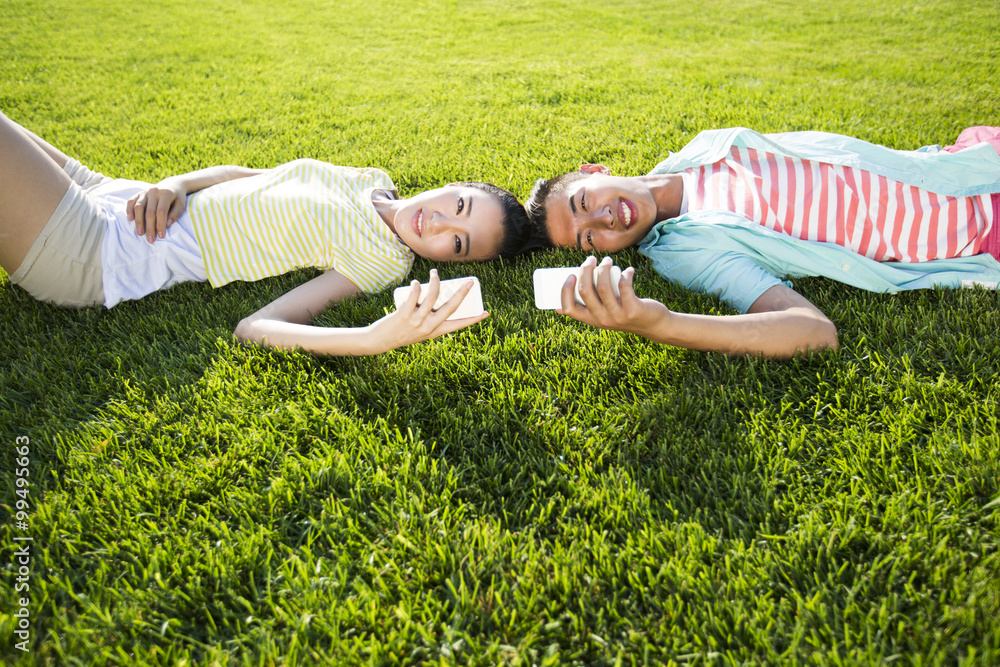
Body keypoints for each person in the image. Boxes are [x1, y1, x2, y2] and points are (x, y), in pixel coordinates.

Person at [0, 111, 532, 356]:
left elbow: (256, 327)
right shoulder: (375, 180)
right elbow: (254, 177)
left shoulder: (384, 261)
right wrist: (178, 182)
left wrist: (375, 338)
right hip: (118, 193)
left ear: (453, 261)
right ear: (455, 184)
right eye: (459, 204)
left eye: (457, 242)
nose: (440, 223)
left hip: (101, 252)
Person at [525, 126, 1000, 358]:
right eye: (590, 237)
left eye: (585, 200)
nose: (605, 218)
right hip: (981, 232)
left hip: (969, 165)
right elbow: (813, 332)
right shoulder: (684, 252)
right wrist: (658, 322)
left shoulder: (702, 149)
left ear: (596, 171)